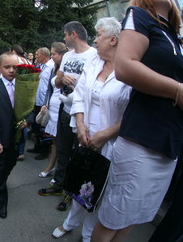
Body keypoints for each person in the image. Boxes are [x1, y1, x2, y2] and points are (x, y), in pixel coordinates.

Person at [92, 0, 183, 241]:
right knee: (114, 217)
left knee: (135, 217)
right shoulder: (139, 15)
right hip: (143, 138)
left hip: (168, 141)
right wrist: (177, 90)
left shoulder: (171, 33)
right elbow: (125, 67)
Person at [51, 17, 131, 242]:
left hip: (110, 141)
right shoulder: (95, 61)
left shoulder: (129, 68)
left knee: (98, 190)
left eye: (99, 36)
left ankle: (88, 234)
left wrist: (105, 135)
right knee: (80, 183)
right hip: (84, 133)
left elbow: (133, 113)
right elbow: (80, 93)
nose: (95, 41)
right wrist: (80, 124)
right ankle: (69, 224)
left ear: (113, 40)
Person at [38, 21, 98, 210]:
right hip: (65, 111)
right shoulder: (67, 56)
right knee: (63, 150)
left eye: (65, 35)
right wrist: (62, 79)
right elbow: (55, 82)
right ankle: (58, 185)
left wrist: (80, 85)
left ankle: (70, 193)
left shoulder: (95, 55)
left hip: (83, 115)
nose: (63, 38)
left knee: (77, 155)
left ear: (73, 34)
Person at [0, 52, 27, 219]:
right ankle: (2, 199)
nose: (11, 70)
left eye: (14, 67)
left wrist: (28, 121)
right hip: (1, 137)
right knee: (1, 169)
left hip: (17, 137)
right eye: (7, 67)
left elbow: (30, 108)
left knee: (11, 163)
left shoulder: (24, 86)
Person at [38, 42, 68, 178]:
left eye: (54, 54)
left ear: (62, 55)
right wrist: (46, 103)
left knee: (62, 144)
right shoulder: (53, 69)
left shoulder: (67, 69)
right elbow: (49, 89)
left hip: (63, 109)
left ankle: (60, 172)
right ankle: (51, 167)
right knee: (54, 142)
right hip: (53, 109)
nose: (52, 57)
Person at [27, 47, 54, 160]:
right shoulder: (41, 66)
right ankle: (37, 146)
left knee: (44, 128)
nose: (36, 56)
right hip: (38, 101)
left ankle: (44, 151)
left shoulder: (51, 67)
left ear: (43, 55)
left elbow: (50, 87)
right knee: (36, 125)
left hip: (44, 102)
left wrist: (46, 103)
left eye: (37, 54)